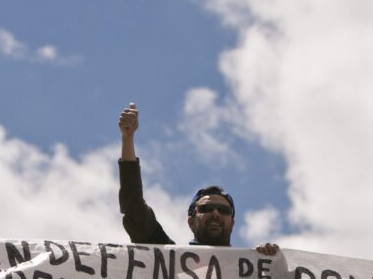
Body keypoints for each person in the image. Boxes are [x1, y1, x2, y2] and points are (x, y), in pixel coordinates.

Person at [117, 103, 278, 255]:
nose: (215, 213)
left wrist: (270, 264)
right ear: (190, 222)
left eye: (224, 211)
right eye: (206, 209)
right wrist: (127, 138)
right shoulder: (168, 263)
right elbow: (134, 209)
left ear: (233, 223)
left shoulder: (249, 272)